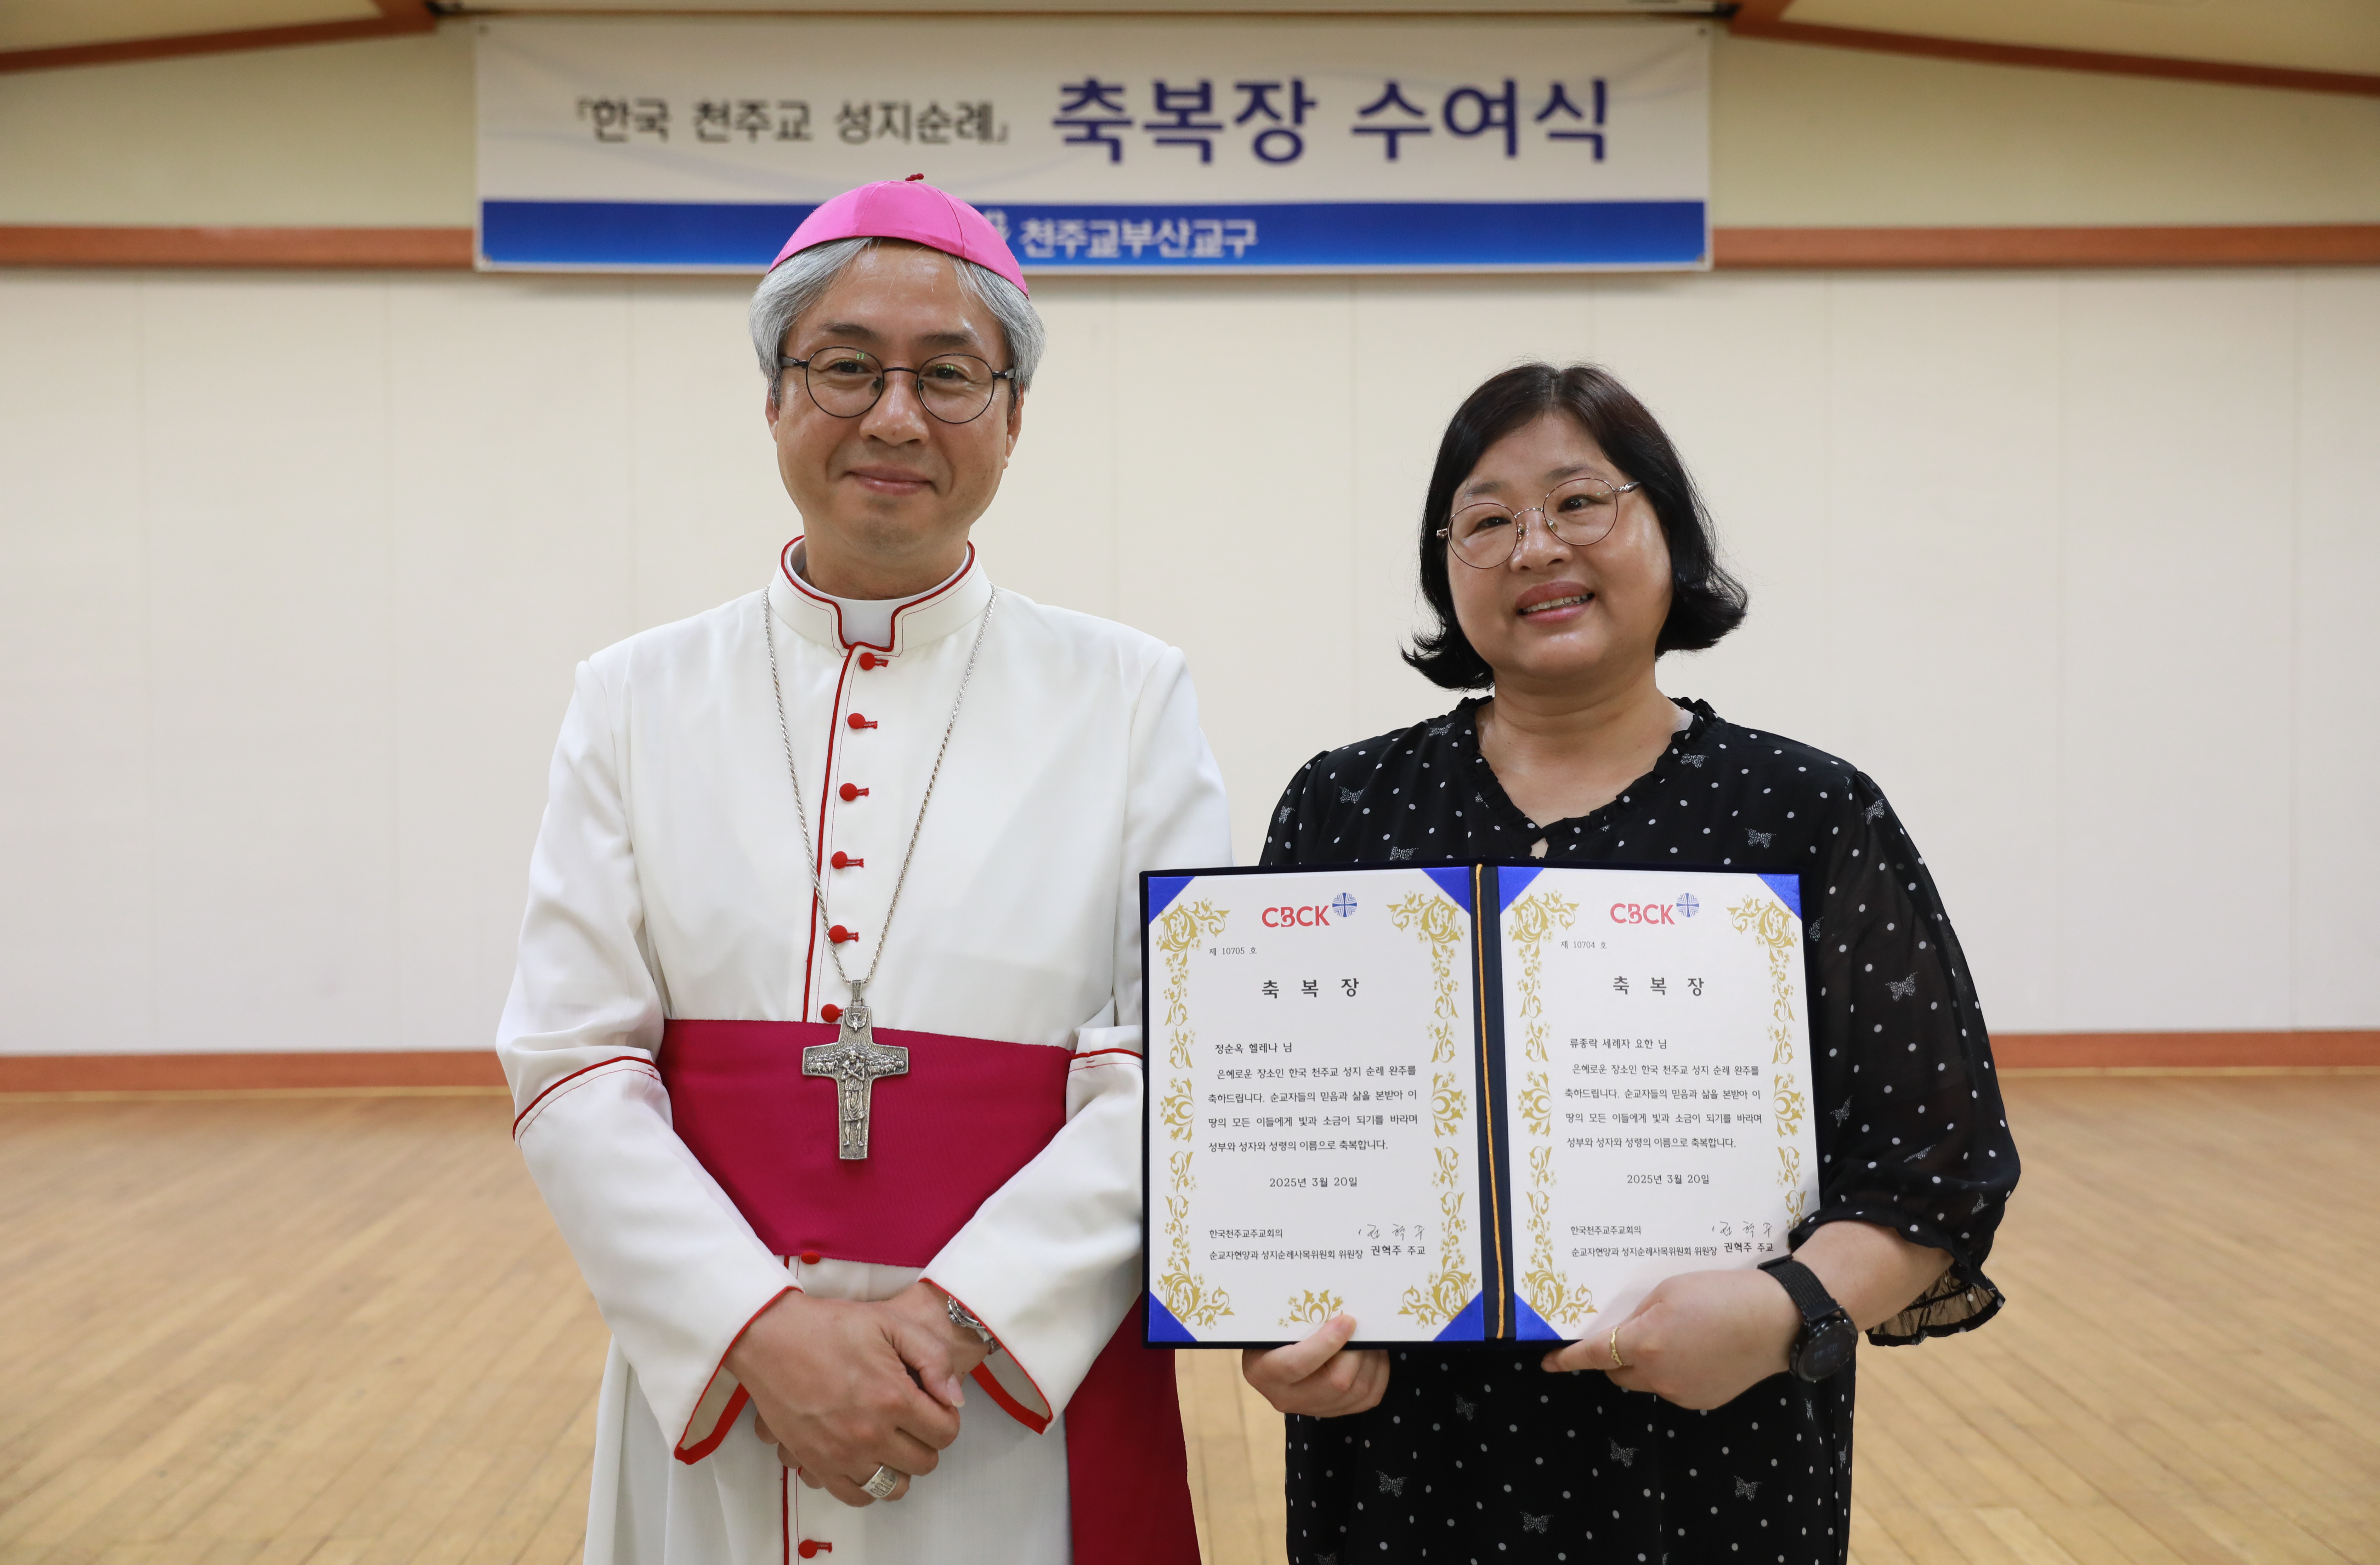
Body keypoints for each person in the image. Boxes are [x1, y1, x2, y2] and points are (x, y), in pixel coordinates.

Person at [497, 177, 1228, 1565]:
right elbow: (570, 1054)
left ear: (1013, 416)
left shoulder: (1131, 696)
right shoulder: (634, 695)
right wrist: (754, 1330)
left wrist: (953, 1323)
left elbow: (1174, 1068)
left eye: (951, 376)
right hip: (722, 1385)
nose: (896, 416)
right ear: (775, 396)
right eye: (846, 368)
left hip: (1012, 1395)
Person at [1240, 363, 2019, 1563]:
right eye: (1485, 521)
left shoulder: (1804, 812)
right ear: (1445, 568)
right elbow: (1279, 1145)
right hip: (1401, 1466)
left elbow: (1937, 1166)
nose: (1534, 547)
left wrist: (1784, 1310)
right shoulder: (1345, 805)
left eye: (1579, 503)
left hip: (1709, 1458)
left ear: (1670, 529)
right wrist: (1278, 1328)